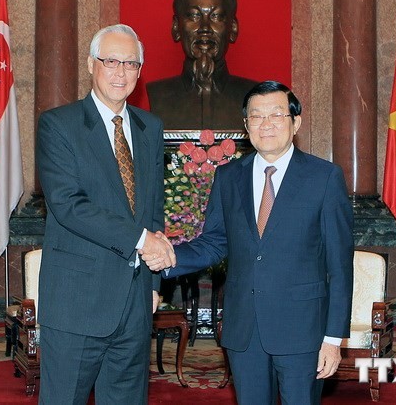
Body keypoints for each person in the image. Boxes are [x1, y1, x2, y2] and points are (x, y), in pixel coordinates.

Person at [145, 81, 354, 404]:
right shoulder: (229, 177)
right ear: (245, 126)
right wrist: (168, 257)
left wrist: (332, 339)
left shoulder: (324, 178)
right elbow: (214, 242)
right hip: (244, 330)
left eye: (276, 115)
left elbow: (340, 266)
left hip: (303, 332)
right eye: (256, 117)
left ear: (295, 122)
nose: (266, 124)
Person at [35, 24, 175, 405]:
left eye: (130, 63)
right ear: (90, 64)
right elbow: (69, 205)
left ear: (140, 71)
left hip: (134, 303)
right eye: (110, 61)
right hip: (76, 302)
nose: (120, 71)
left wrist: (153, 284)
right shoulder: (58, 124)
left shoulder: (151, 127)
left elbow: (153, 209)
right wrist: (142, 240)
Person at [146, 0, 258, 130]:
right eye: (194, 16)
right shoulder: (158, 95)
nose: (205, 28)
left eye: (216, 16)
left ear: (233, 28)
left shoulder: (254, 97)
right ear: (176, 27)